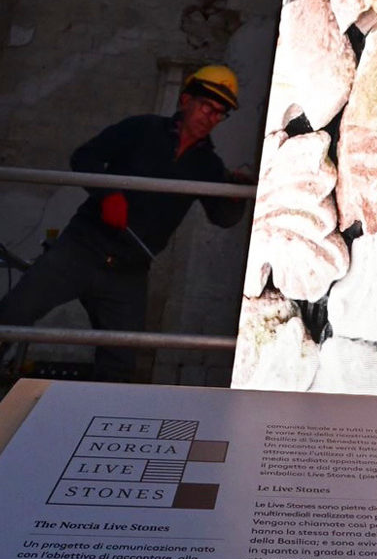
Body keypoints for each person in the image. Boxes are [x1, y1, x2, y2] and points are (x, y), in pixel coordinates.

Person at [0, 65, 250, 381]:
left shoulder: (207, 165)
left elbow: (222, 218)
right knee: (11, 315)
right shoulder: (142, 129)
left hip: (129, 269)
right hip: (82, 248)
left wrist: (235, 195)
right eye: (206, 106)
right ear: (185, 100)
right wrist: (108, 195)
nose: (211, 117)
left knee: (120, 363)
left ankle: (98, 425)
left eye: (219, 114)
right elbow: (84, 157)